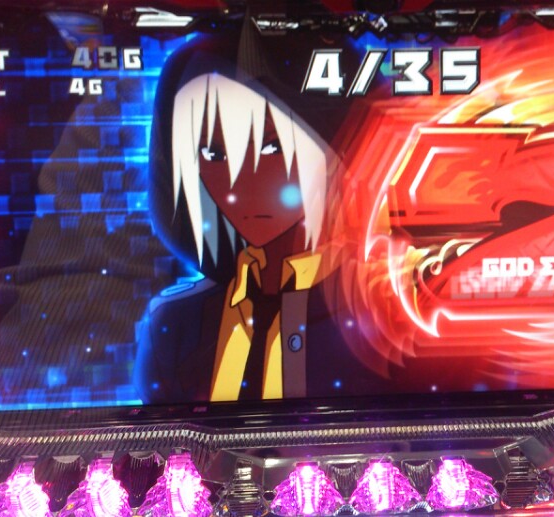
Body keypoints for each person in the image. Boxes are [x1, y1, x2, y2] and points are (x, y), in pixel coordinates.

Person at [135, 31, 390, 403]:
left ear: (337, 144)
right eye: (213, 154)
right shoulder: (175, 325)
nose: (238, 183)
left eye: (272, 147)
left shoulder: (389, 315)